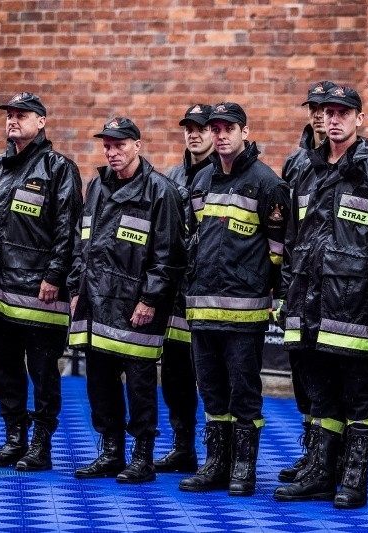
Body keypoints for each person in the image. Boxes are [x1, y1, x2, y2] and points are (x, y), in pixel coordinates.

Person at [273, 86, 368, 509]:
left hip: (353, 304)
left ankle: (354, 477)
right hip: (309, 302)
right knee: (320, 392)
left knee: (358, 394)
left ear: (359, 120)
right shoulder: (304, 170)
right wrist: (285, 293)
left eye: (343, 113)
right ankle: (321, 473)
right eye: (328, 112)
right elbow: (292, 241)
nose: (334, 119)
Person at [0, 92, 82, 472]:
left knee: (43, 372)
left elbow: (68, 229)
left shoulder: (58, 167)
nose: (13, 120)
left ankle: (40, 445)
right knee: (4, 368)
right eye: (10, 115)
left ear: (41, 122)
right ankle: (14, 439)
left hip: (38, 294)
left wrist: (54, 275)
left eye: (22, 115)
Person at [179, 102, 291, 497]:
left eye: (229, 127)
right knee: (210, 390)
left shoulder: (267, 183)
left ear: (245, 132)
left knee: (244, 392)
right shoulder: (200, 182)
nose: (221, 134)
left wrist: (271, 294)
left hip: (245, 312)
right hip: (202, 308)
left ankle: (243, 469)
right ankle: (216, 464)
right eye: (215, 128)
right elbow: (193, 241)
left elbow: (279, 251)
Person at [69, 117, 187, 484]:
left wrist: (150, 299)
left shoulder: (160, 191)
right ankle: (111, 451)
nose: (112, 151)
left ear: (137, 145)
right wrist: (76, 289)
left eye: (120, 144)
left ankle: (142, 456)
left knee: (139, 385)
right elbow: (81, 242)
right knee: (99, 384)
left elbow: (169, 255)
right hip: (96, 303)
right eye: (107, 145)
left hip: (137, 308)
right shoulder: (97, 186)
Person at [277, 80, 336, 484]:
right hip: (297, 286)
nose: (318, 114)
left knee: (331, 377)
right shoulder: (296, 163)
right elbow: (285, 232)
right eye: (313, 107)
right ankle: (313, 451)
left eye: (326, 108)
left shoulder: (353, 164)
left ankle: (331, 457)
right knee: (303, 376)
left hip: (334, 289)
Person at [154, 104, 213, 473]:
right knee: (175, 376)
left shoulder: (223, 176)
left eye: (201, 128)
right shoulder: (172, 177)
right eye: (188, 128)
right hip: (175, 295)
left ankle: (222, 452)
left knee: (212, 378)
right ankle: (183, 446)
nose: (193, 134)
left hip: (209, 291)